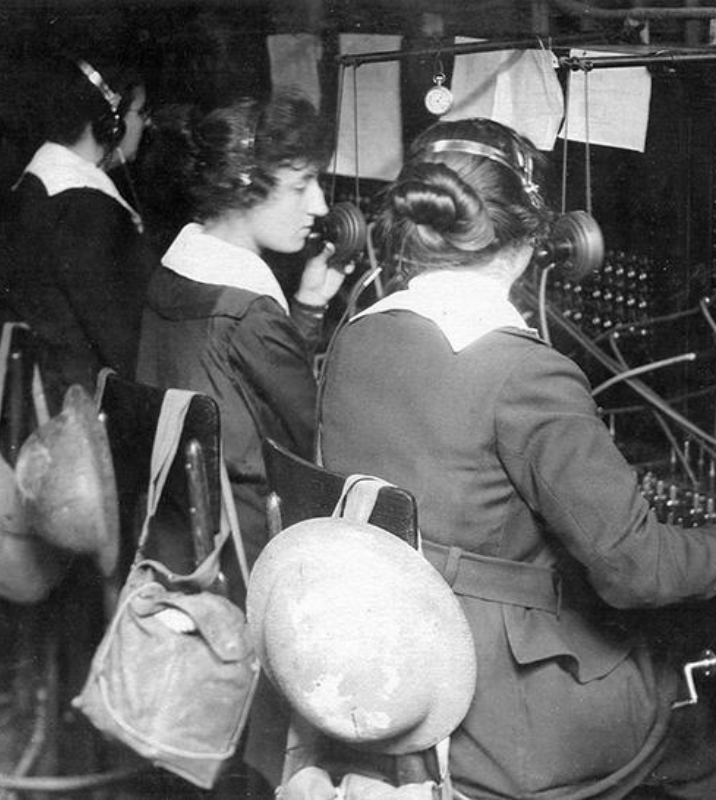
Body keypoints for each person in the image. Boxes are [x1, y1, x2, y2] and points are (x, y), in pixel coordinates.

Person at [318, 117, 716, 799]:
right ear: (538, 241)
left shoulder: (357, 338)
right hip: (501, 714)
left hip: (379, 663)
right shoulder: (528, 373)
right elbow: (637, 571)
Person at [136, 90, 350, 583]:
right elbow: (309, 441)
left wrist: (307, 306)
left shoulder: (172, 275)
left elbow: (241, 392)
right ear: (244, 185)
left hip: (177, 533)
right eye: (301, 186)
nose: (318, 204)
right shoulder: (248, 310)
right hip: (250, 550)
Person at [0, 53, 155, 410]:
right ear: (112, 123)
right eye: (141, 114)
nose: (147, 125)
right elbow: (130, 348)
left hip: (43, 404)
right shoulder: (91, 210)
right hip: (87, 416)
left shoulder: (33, 188)